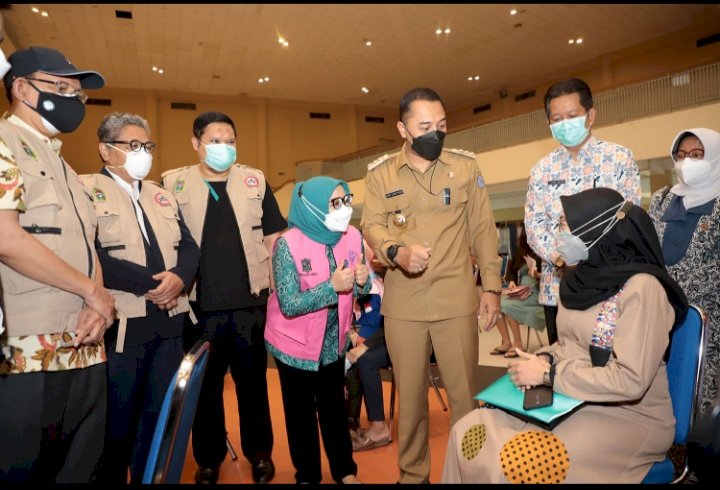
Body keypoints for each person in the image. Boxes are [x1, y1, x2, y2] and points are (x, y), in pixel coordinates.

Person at [442, 187, 689, 483]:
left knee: (517, 462)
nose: (559, 235)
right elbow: (568, 344)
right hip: (574, 396)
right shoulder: (576, 279)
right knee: (467, 430)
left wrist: (549, 374)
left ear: (596, 230)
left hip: (629, 416)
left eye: (564, 225)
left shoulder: (642, 289)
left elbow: (630, 381)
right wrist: (540, 358)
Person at [360, 87, 502, 483]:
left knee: (464, 401)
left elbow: (483, 230)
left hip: (455, 300)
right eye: (425, 127)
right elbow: (371, 224)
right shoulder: (380, 175)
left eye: (441, 126)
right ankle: (412, 476)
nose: (435, 134)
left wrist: (491, 287)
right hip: (404, 305)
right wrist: (396, 252)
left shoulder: (465, 168)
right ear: (403, 129)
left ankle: (470, 475)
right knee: (411, 404)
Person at [0, 46, 115, 482]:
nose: (73, 99)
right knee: (23, 468)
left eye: (77, 93)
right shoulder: (4, 142)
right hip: (29, 349)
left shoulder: (64, 163)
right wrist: (91, 291)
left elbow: (88, 242)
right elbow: (6, 238)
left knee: (79, 468)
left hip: (84, 340)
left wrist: (98, 301)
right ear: (22, 88)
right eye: (61, 87)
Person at [161, 111, 287, 484]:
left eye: (229, 140)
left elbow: (273, 238)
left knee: (254, 387)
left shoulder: (255, 181)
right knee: (205, 391)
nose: (224, 147)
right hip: (199, 309)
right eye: (215, 140)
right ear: (196, 143)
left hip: (250, 304)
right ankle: (208, 459)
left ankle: (260, 454)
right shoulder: (172, 185)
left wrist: (280, 291)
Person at [79, 112, 201, 483]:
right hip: (123, 325)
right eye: (132, 145)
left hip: (169, 324)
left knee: (160, 419)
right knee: (117, 424)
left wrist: (179, 279)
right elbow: (92, 255)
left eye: (147, 146)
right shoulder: (85, 189)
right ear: (106, 150)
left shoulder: (161, 194)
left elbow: (191, 248)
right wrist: (155, 284)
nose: (142, 153)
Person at [264, 176, 369, 484]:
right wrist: (331, 288)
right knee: (301, 417)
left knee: (334, 410)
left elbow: (359, 291)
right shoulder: (287, 244)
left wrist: (361, 282)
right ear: (311, 206)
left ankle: (345, 472)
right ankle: (307, 475)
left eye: (347, 201)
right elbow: (289, 303)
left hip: (333, 342)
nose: (344, 209)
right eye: (335, 203)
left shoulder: (352, 236)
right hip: (294, 345)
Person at [524, 78, 641, 346]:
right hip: (558, 291)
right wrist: (563, 259)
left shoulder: (619, 158)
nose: (564, 123)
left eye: (572, 116)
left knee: (605, 372)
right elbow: (534, 227)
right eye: (557, 118)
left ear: (590, 115)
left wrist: (591, 259)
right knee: (561, 372)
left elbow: (629, 219)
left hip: (610, 288)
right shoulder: (542, 170)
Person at [648, 127, 720, 418]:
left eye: (696, 155)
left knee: (700, 384)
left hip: (708, 313)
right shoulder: (661, 198)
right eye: (680, 156)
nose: (687, 162)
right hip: (663, 308)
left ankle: (698, 448)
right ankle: (666, 443)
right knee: (662, 377)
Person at [345, 241, 392, 451]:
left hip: (401, 339)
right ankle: (353, 421)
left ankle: (373, 425)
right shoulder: (375, 281)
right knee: (350, 359)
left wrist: (361, 343)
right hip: (380, 336)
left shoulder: (376, 287)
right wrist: (354, 337)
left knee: (360, 360)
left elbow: (382, 323)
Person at [492, 225, 544, 359]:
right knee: (496, 305)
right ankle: (506, 341)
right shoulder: (520, 251)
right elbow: (510, 272)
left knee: (507, 306)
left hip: (537, 294)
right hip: (522, 292)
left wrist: (538, 276)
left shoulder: (544, 250)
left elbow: (552, 276)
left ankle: (518, 343)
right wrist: (511, 282)